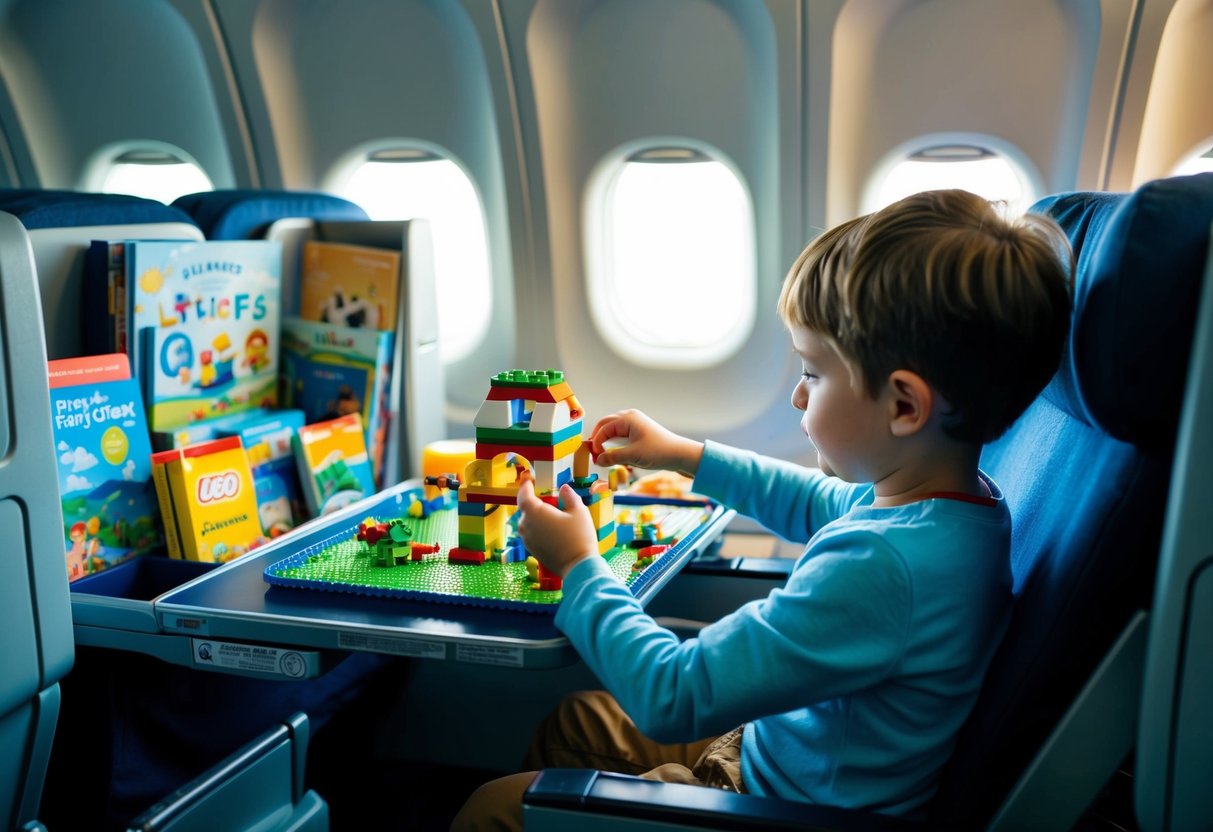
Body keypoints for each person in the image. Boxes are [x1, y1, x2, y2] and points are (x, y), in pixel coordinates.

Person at [451, 189, 1073, 830]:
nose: (800, 398)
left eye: (814, 373)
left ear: (904, 406)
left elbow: (674, 695)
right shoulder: (947, 506)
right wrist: (684, 454)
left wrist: (579, 564)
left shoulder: (885, 566)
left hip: (772, 808)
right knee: (576, 723)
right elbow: (815, 500)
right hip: (771, 753)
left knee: (492, 810)